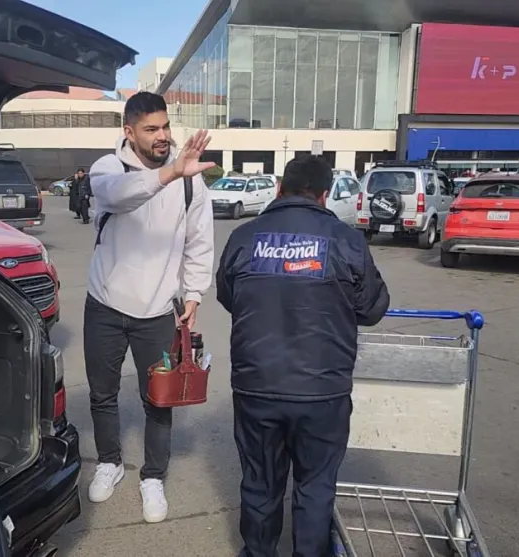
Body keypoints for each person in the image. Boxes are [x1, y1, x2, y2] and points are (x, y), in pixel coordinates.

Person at [216, 155, 390, 557]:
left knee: (260, 482)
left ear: (280, 188)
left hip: (257, 385)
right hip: (322, 390)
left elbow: (230, 297)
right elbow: (373, 308)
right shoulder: (345, 239)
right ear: (325, 195)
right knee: (315, 486)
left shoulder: (245, 237)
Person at [84, 91, 214, 523]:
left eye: (165, 127)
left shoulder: (192, 181)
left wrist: (193, 294)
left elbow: (200, 241)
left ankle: (153, 477)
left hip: (159, 309)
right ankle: (110, 462)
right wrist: (170, 173)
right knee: (102, 394)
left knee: (159, 399)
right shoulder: (109, 168)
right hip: (104, 303)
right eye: (151, 129)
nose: (162, 136)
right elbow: (119, 196)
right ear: (129, 131)